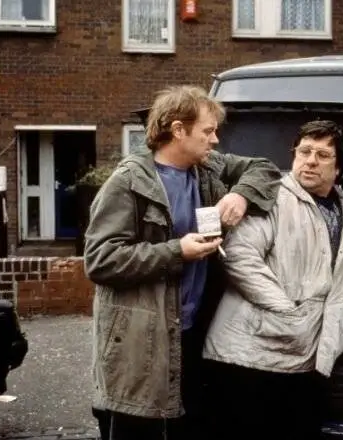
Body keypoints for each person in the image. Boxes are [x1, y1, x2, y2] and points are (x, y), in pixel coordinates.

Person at [83, 85, 281, 440]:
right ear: (178, 130)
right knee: (140, 428)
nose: (215, 140)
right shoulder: (128, 183)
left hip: (193, 333)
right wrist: (177, 251)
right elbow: (100, 260)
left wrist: (240, 195)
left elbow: (263, 169)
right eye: (208, 131)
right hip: (142, 341)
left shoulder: (206, 168)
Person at [202, 120, 343, 440]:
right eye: (304, 152)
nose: (311, 161)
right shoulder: (272, 196)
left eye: (322, 155)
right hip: (249, 357)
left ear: (338, 168)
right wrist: (287, 312)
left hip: (305, 361)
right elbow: (239, 256)